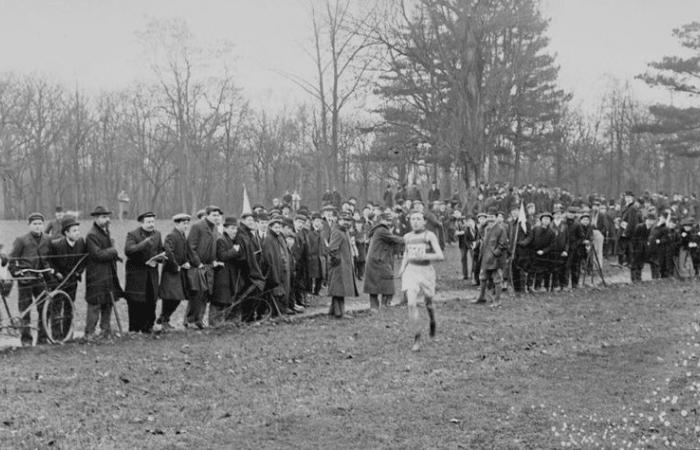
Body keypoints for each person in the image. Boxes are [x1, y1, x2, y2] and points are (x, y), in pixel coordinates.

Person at [399, 210, 444, 351]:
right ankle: (417, 338)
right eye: (413, 219)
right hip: (411, 271)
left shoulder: (429, 235)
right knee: (411, 304)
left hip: (426, 272)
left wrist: (424, 255)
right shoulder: (406, 236)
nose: (415, 221)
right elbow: (406, 253)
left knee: (429, 303)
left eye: (418, 219)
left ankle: (433, 320)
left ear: (424, 221)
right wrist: (401, 268)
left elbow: (440, 255)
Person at [9, 212, 52, 346]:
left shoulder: (47, 239)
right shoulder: (21, 240)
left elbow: (49, 258)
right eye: (34, 224)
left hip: (40, 278)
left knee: (45, 307)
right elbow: (12, 259)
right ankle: (26, 339)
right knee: (25, 309)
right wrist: (17, 273)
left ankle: (42, 337)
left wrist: (50, 274)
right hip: (25, 279)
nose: (37, 227)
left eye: (40, 224)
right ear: (29, 225)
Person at [84, 206, 123, 339]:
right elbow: (97, 254)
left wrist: (115, 255)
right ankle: (89, 332)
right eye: (103, 217)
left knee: (108, 302)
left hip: (108, 273)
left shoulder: (105, 231)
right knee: (95, 303)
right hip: (96, 275)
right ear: (96, 218)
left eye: (107, 217)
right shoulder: (91, 235)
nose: (106, 219)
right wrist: (113, 251)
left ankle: (105, 330)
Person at [124, 212, 165, 333]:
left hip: (152, 274)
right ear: (142, 223)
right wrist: (144, 243)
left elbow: (160, 250)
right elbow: (128, 250)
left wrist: (161, 258)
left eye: (153, 222)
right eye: (148, 222)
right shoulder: (132, 234)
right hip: (137, 274)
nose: (151, 224)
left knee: (151, 300)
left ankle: (148, 327)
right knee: (136, 301)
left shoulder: (157, 234)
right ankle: (134, 329)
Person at [47, 215, 87, 339]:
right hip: (58, 281)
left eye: (78, 230)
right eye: (74, 231)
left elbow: (84, 260)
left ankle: (68, 335)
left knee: (69, 307)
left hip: (72, 281)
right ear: (66, 233)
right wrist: (56, 273)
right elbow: (50, 261)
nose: (77, 233)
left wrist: (78, 273)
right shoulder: (56, 245)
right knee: (57, 308)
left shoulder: (81, 243)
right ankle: (56, 336)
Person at [186, 205, 222, 328]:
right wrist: (198, 263)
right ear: (207, 215)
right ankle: (190, 320)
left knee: (205, 295)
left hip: (209, 266)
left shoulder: (215, 228)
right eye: (213, 215)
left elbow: (214, 247)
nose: (216, 217)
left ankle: (199, 320)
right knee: (197, 294)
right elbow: (191, 247)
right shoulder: (198, 226)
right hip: (198, 267)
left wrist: (214, 261)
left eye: (218, 215)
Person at [363, 212, 404, 311]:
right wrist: (408, 239)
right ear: (381, 220)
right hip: (377, 260)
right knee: (384, 283)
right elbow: (394, 239)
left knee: (375, 284)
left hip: (377, 260)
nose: (389, 222)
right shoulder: (382, 230)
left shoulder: (381, 229)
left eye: (390, 220)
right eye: (387, 220)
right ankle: (382, 305)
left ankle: (380, 305)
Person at [157, 213, 192, 329]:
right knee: (171, 297)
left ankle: (163, 319)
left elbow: (184, 252)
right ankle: (163, 320)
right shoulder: (171, 236)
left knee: (177, 297)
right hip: (171, 272)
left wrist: (186, 261)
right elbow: (168, 252)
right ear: (177, 223)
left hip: (179, 271)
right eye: (183, 223)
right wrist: (176, 266)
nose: (186, 226)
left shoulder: (182, 236)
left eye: (187, 223)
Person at [210, 216, 244, 327]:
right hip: (222, 275)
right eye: (232, 228)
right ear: (225, 229)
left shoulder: (232, 241)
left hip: (230, 275)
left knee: (227, 298)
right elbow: (223, 256)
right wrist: (234, 251)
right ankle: (214, 322)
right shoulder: (221, 240)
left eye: (235, 229)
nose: (234, 231)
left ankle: (223, 321)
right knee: (219, 299)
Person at [235, 212, 266, 321]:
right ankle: (246, 317)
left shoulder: (249, 234)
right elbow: (242, 254)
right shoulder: (241, 235)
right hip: (246, 270)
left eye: (252, 220)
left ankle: (250, 316)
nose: (251, 222)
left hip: (252, 268)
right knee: (248, 295)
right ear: (242, 221)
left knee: (254, 294)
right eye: (248, 220)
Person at [327, 212, 358, 318]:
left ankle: (334, 311)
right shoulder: (337, 232)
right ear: (339, 220)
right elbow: (332, 249)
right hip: (339, 266)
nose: (346, 222)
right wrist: (338, 261)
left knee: (340, 290)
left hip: (343, 265)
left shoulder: (344, 232)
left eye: (348, 220)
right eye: (344, 220)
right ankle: (339, 313)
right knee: (338, 289)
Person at [262, 215, 293, 315]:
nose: (278, 229)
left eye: (279, 227)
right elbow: (269, 258)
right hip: (276, 269)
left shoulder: (279, 238)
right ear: (270, 227)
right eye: (276, 227)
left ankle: (284, 308)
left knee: (285, 289)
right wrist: (273, 270)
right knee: (277, 290)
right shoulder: (268, 239)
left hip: (283, 267)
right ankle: (277, 311)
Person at [476, 212, 508, 304]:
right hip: (485, 258)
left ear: (497, 218)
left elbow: (503, 244)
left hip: (495, 259)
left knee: (497, 279)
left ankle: (497, 301)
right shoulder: (486, 228)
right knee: (483, 277)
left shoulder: (501, 229)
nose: (490, 219)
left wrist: (495, 254)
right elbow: (481, 235)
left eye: (493, 217)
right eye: (489, 217)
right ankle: (482, 297)